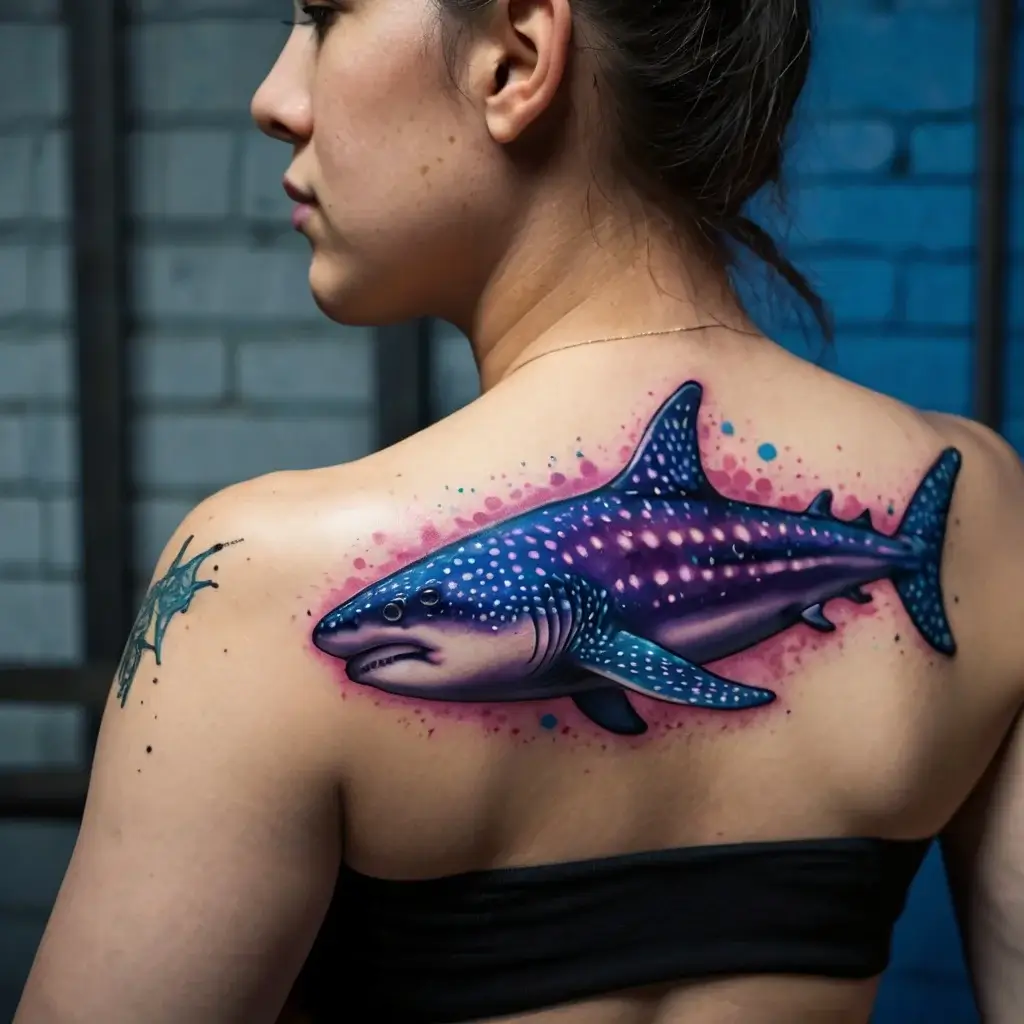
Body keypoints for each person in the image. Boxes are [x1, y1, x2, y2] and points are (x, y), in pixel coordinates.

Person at [15, 2, 1024, 1022]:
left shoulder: (255, 580)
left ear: (515, 57)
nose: (273, 99)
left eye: (327, 17)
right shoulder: (990, 507)